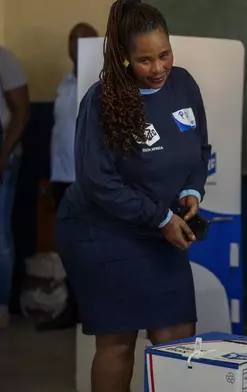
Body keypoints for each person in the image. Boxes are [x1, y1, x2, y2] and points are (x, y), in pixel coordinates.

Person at [55, 0, 210, 390]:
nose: (158, 69)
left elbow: (198, 150)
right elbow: (97, 181)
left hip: (160, 229)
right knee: (119, 341)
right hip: (103, 232)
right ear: (123, 57)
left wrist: (192, 189)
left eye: (165, 55)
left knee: (177, 337)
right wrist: (160, 217)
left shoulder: (183, 84)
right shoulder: (102, 100)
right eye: (145, 60)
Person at [39, 22, 99, 332]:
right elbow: (57, 134)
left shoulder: (99, 84)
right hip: (62, 177)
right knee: (68, 245)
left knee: (90, 247)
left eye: (83, 41)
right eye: (72, 41)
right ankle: (73, 307)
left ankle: (91, 308)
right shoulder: (64, 85)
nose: (76, 47)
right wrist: (50, 178)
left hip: (87, 180)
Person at [0, 45, 29, 330]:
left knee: (0, 233)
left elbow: (22, 111)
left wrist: (4, 155)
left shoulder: (4, 58)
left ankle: (1, 304)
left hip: (4, 151)